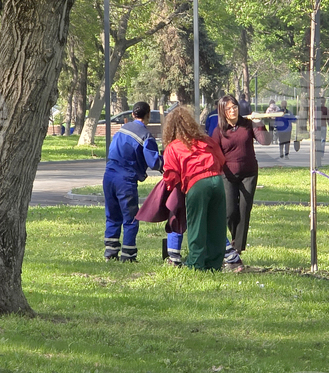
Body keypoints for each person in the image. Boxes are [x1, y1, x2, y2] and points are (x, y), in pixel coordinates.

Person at [162, 107, 230, 271]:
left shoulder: (173, 147)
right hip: (217, 180)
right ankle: (214, 263)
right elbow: (221, 159)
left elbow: (170, 174)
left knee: (196, 225)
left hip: (197, 183)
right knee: (217, 225)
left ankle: (195, 263)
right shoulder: (206, 140)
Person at [211, 94, 271, 267]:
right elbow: (213, 153)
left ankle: (237, 248)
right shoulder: (219, 131)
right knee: (230, 211)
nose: (233, 110)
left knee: (244, 210)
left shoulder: (247, 124)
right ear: (223, 111)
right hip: (227, 175)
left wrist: (259, 123)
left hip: (249, 173)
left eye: (235, 107)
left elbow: (265, 141)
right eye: (229, 108)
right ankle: (232, 242)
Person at [103, 102, 163, 262]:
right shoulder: (145, 135)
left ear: (133, 115)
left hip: (108, 175)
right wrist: (165, 161)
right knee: (130, 218)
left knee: (112, 215)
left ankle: (110, 252)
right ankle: (128, 255)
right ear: (148, 115)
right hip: (125, 179)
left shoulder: (121, 130)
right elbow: (154, 162)